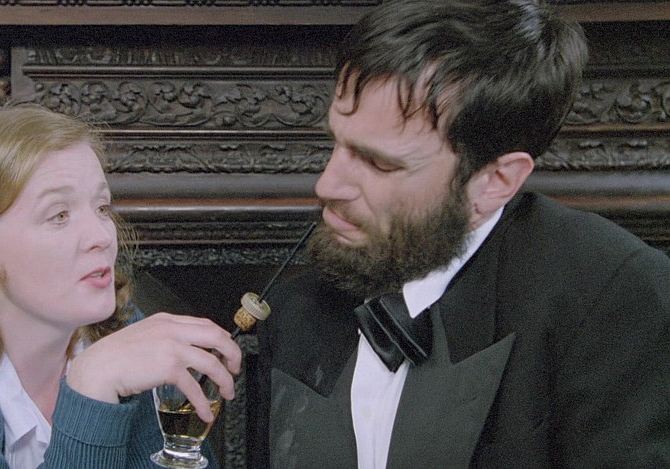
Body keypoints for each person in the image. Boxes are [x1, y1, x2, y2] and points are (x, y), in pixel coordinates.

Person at [252, 1, 670, 468]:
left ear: (495, 182)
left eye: (379, 163)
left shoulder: (615, 302)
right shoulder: (296, 305)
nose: (327, 186)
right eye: (336, 142)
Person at [0, 105, 242, 468]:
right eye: (59, 215)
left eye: (101, 207)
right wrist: (91, 392)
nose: (101, 237)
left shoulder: (122, 336)